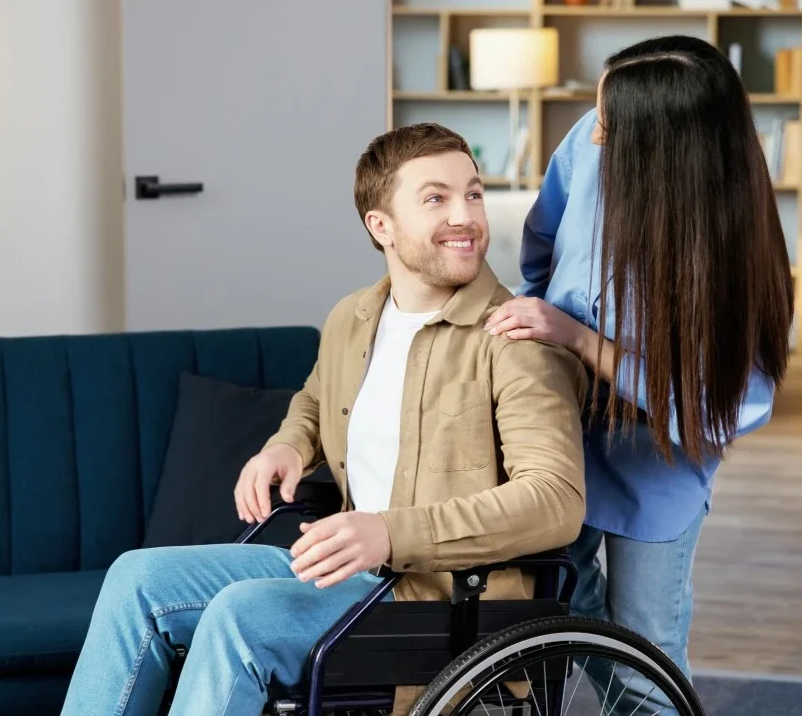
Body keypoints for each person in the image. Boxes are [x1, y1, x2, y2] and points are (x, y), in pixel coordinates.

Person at [60, 122, 588, 716]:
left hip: (443, 599)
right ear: (381, 226)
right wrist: (288, 446)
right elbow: (315, 399)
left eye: (472, 194)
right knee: (136, 578)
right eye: (436, 199)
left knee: (241, 615)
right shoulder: (353, 317)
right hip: (346, 573)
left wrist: (390, 532)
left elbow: (556, 500)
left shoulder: (514, 339)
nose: (464, 217)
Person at [484, 34, 795, 712]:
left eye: (606, 124)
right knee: (559, 608)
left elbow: (715, 407)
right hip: (563, 428)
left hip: (656, 460)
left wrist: (576, 337)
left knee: (643, 656)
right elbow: (542, 245)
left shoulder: (728, 253)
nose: (593, 134)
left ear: (664, 147)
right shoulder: (591, 142)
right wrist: (543, 339)